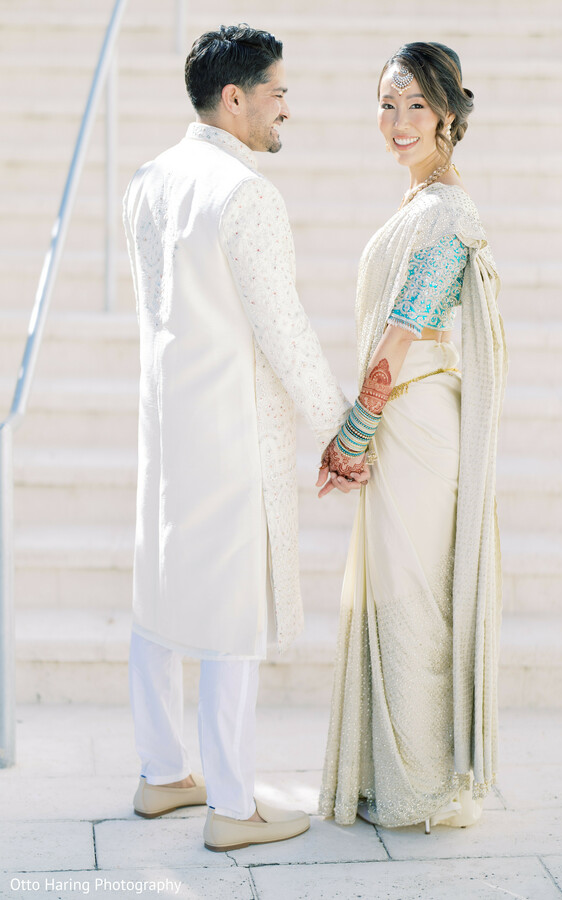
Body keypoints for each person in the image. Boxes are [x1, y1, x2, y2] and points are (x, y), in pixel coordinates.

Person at [122, 24, 365, 853]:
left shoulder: (148, 179)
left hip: (167, 426)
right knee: (232, 613)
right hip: (228, 428)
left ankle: (163, 774)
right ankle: (232, 805)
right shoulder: (245, 191)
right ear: (236, 98)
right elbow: (282, 325)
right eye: (278, 93)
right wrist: (345, 428)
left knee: (158, 594)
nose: (285, 108)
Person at [317, 42, 507, 831]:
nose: (397, 122)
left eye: (415, 106)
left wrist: (353, 433)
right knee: (399, 594)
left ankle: (420, 787)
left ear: (450, 115)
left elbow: (404, 331)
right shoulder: (422, 203)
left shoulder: (448, 213)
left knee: (413, 601)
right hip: (411, 420)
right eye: (387, 104)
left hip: (417, 425)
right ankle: (396, 775)